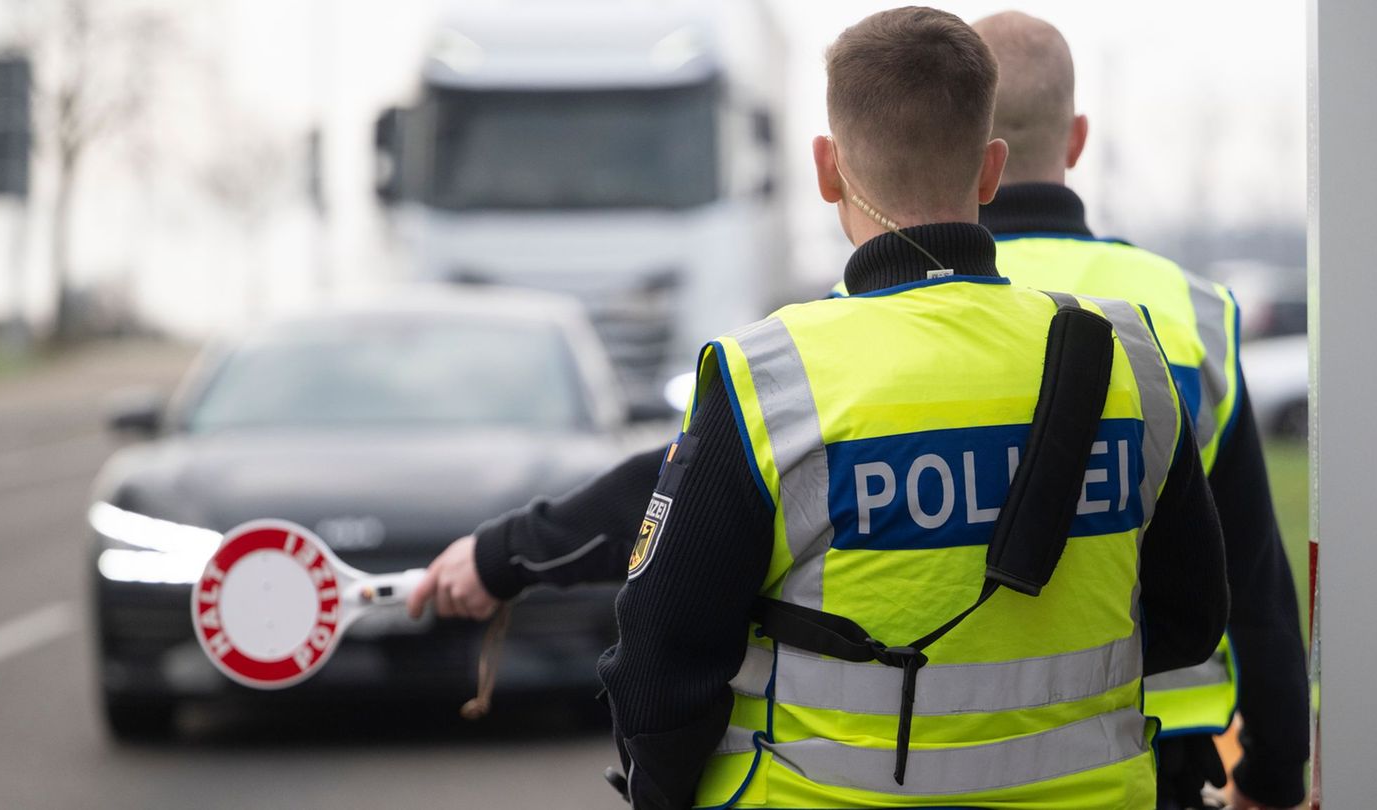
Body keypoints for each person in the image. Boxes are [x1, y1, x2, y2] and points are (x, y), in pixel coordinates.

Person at [417, 7, 1228, 807]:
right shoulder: (1129, 356)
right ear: (989, 171)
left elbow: (662, 658)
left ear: (826, 170)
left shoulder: (775, 375)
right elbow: (1193, 617)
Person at [960, 13, 1307, 810]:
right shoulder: (1188, 308)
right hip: (1155, 758)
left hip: (926, 764)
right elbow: (1252, 572)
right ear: (1077, 138)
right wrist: (1275, 770)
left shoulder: (868, 311)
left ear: (960, 142)